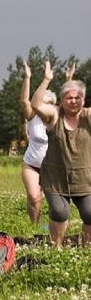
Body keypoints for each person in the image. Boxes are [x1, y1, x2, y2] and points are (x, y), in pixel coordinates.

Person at [31, 60, 91, 247]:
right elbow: (35, 105)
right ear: (62, 99)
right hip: (56, 177)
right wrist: (46, 80)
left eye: (77, 97)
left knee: (90, 213)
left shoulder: (88, 116)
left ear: (83, 99)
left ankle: (86, 249)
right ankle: (56, 248)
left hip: (84, 177)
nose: (73, 101)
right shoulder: (54, 115)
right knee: (59, 212)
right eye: (68, 97)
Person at [20, 60, 60, 224]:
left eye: (50, 104)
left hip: (53, 166)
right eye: (45, 103)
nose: (47, 108)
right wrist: (27, 77)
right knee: (34, 198)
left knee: (56, 203)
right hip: (32, 164)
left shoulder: (58, 119)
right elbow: (24, 101)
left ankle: (52, 226)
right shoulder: (33, 117)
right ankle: (34, 225)